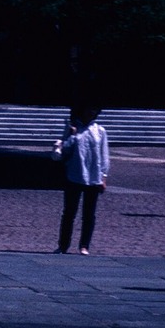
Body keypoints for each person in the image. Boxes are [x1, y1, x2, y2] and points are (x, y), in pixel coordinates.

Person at [55, 107, 109, 255]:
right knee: (69, 213)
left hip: (93, 177)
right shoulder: (73, 128)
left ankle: (84, 245)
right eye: (89, 110)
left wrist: (104, 176)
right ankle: (63, 245)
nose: (91, 113)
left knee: (89, 214)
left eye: (94, 111)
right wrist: (72, 136)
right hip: (75, 174)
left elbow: (104, 155)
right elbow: (64, 150)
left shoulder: (100, 131)